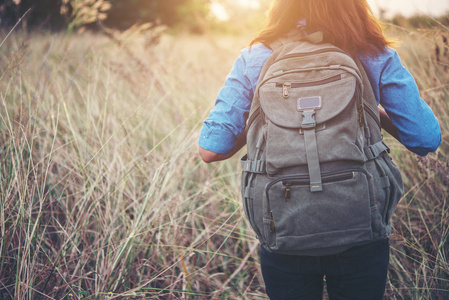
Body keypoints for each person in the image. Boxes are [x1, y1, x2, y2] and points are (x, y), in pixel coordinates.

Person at [198, 0, 442, 299]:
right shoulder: (373, 53)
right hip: (360, 222)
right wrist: (368, 108)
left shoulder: (255, 57)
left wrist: (266, 114)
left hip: (284, 225)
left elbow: (211, 149)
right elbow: (425, 139)